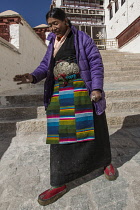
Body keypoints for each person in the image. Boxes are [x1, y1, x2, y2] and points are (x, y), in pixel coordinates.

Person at [13, 8, 117, 206]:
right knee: (60, 137)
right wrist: (32, 76)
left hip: (83, 91)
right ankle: (59, 181)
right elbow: (45, 66)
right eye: (50, 25)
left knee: (97, 129)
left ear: (66, 21)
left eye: (55, 24)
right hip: (60, 94)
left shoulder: (82, 38)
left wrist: (96, 88)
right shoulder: (53, 42)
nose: (53, 28)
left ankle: (104, 163)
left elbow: (95, 62)